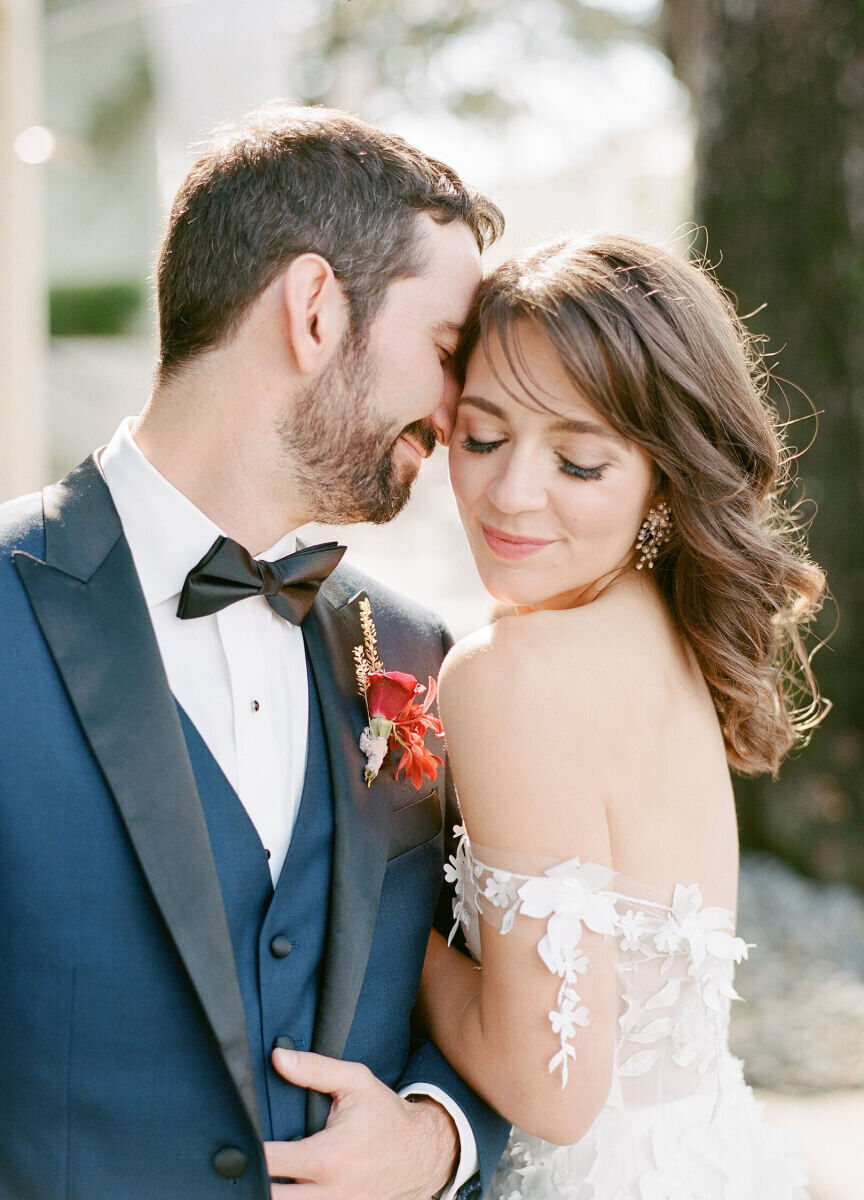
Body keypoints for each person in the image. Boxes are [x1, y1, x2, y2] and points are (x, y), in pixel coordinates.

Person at [0, 105, 511, 1199]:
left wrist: (437, 1142)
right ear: (316, 310)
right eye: (447, 350)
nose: (463, 406)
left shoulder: (418, 650)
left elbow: (505, 999)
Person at [417, 235, 827, 1198]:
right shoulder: (668, 624)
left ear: (664, 470)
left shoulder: (510, 674)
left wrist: (400, 934)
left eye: (580, 462)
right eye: (481, 437)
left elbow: (551, 1088)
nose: (511, 494)